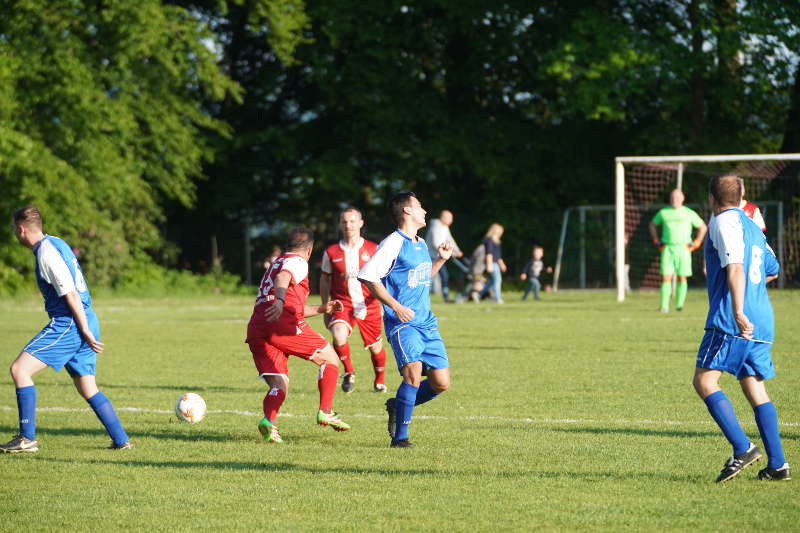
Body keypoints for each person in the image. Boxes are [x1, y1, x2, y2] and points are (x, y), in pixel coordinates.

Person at [1, 206, 131, 453]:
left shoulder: (46, 253)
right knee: (87, 387)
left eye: (14, 230)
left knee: (19, 370)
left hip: (71, 322)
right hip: (85, 319)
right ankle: (121, 439)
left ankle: (26, 438)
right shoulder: (56, 242)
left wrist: (84, 330)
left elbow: (70, 293)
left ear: (20, 229)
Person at [693, 174, 790, 482]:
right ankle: (778, 465)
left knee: (705, 381)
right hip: (763, 317)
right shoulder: (752, 225)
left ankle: (742, 447)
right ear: (743, 195)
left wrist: (737, 308)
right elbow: (771, 271)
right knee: (753, 385)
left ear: (711, 198)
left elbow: (735, 266)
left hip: (734, 317)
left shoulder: (722, 223)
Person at [358, 192, 453, 448]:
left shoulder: (420, 243)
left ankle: (396, 405)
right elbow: (367, 276)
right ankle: (400, 439)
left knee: (441, 383)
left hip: (427, 323)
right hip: (403, 324)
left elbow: (421, 278)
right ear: (407, 212)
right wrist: (395, 306)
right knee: (413, 373)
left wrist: (440, 261)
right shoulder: (393, 243)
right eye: (419, 206)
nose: (424, 210)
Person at [246, 227, 351, 443]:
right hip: (281, 324)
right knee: (330, 359)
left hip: (257, 327)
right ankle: (325, 411)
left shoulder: (276, 262)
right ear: (309, 250)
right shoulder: (297, 262)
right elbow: (284, 279)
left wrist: (323, 309)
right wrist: (280, 300)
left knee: (279, 385)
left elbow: (295, 306)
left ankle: (268, 422)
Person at [320, 207, 388, 393]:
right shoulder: (332, 252)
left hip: (369, 304)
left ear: (360, 223)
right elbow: (325, 279)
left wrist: (384, 302)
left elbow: (382, 278)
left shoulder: (374, 249)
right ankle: (349, 372)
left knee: (376, 347)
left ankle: (379, 381)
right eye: (344, 221)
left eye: (352, 221)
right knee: (338, 334)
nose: (348, 225)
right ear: (340, 224)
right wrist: (325, 305)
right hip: (342, 303)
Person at [648, 189, 708, 312]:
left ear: (682, 198)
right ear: (670, 199)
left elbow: (703, 227)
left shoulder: (689, 213)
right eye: (673, 197)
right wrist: (656, 240)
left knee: (682, 277)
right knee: (666, 277)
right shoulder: (664, 212)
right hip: (668, 248)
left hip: (684, 249)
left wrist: (697, 243)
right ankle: (664, 306)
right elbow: (652, 224)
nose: (675, 199)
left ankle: (679, 305)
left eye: (677, 197)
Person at [425, 210, 463, 302]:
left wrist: (457, 250)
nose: (451, 220)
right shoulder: (436, 225)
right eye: (450, 218)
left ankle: (445, 297)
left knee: (444, 276)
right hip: (431, 256)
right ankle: (424, 297)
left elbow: (450, 239)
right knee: (428, 278)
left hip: (439, 256)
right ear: (443, 217)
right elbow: (436, 242)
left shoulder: (445, 227)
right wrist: (451, 252)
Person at [477, 223, 507, 303]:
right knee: (498, 280)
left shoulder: (496, 241)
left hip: (496, 263)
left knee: (493, 281)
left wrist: (501, 264)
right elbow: (489, 254)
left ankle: (479, 294)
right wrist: (489, 265)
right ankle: (498, 298)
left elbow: (498, 255)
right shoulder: (489, 240)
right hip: (492, 263)